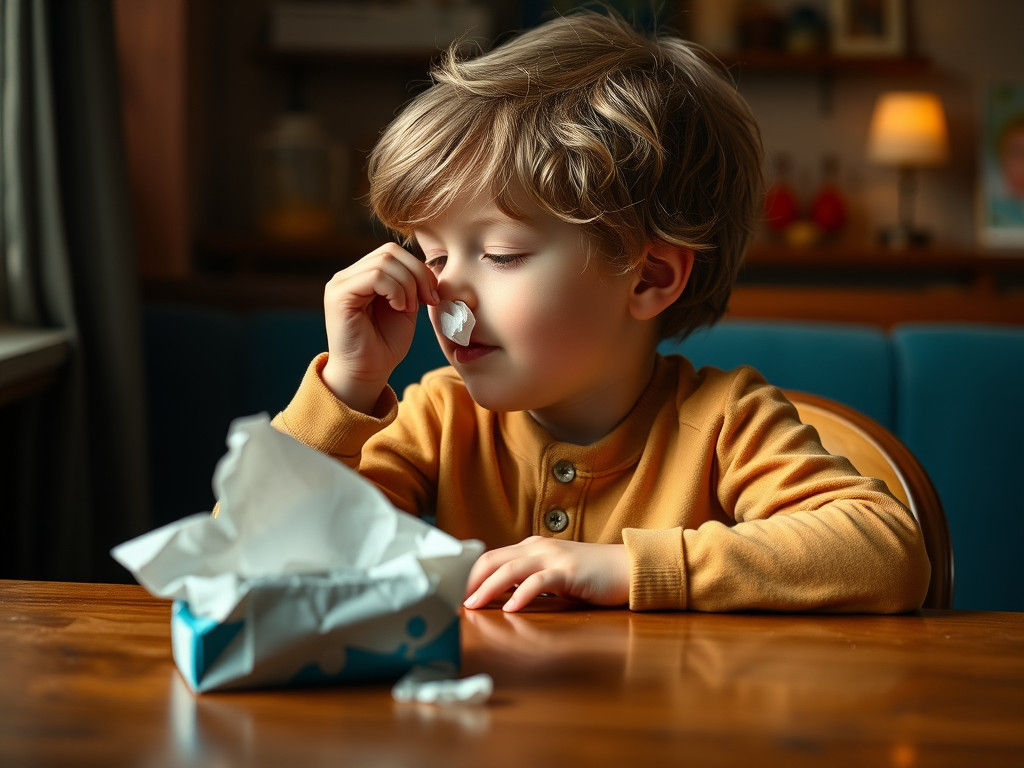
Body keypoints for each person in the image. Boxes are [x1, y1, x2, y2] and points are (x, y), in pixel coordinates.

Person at [251, 8, 931, 613]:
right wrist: (346, 387)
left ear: (650, 277)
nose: (444, 290)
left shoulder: (726, 424)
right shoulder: (439, 418)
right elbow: (252, 556)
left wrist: (628, 568)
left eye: (501, 254)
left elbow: (886, 550)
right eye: (431, 256)